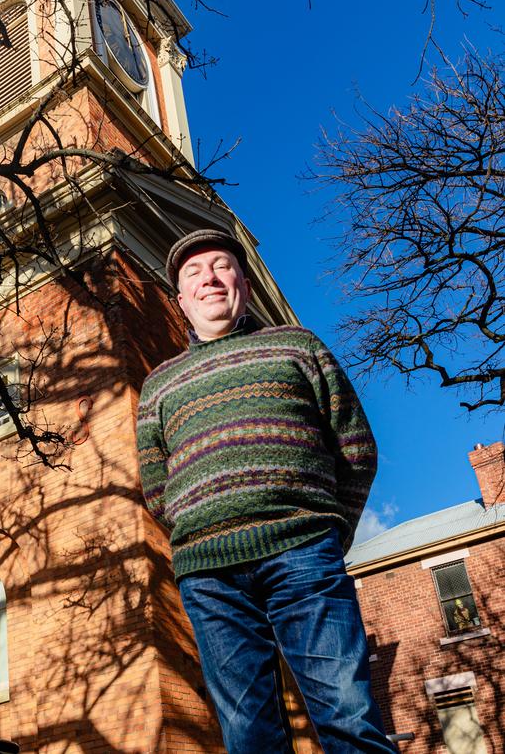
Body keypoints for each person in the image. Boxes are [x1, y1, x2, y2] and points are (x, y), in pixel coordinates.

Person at [137, 229, 396, 753]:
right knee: (249, 735)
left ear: (245, 287)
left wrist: (323, 528)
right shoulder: (158, 384)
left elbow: (355, 447)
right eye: (194, 273)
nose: (209, 278)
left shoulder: (297, 346)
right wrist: (206, 521)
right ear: (181, 300)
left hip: (302, 554)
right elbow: (157, 488)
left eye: (221, 266)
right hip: (209, 576)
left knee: (348, 717)